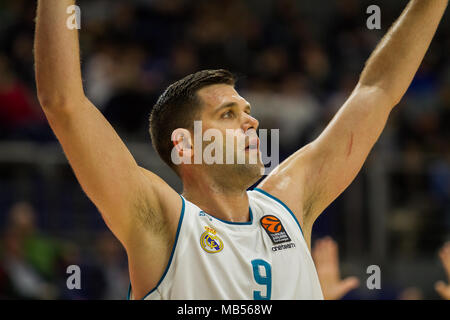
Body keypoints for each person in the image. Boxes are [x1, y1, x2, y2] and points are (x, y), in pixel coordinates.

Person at [33, 0, 448, 300]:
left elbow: (376, 90)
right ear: (185, 145)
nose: (251, 121)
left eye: (247, 111)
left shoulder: (287, 201)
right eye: (229, 114)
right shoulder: (162, 220)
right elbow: (64, 103)